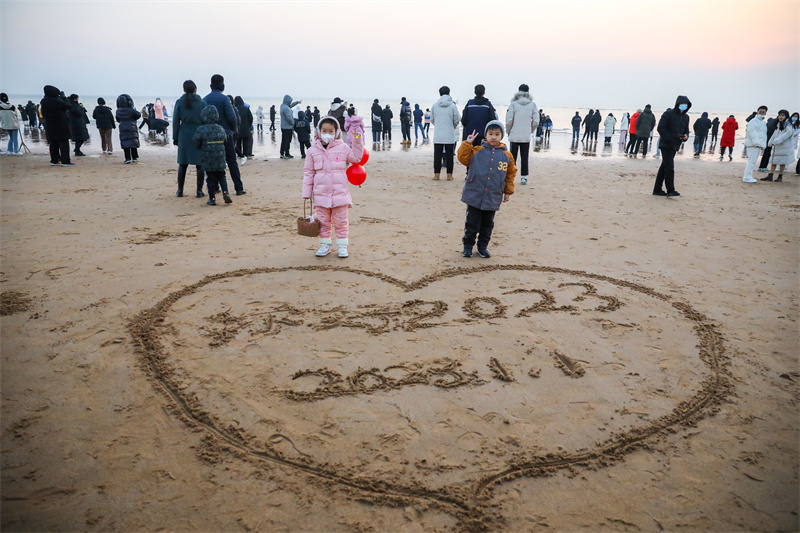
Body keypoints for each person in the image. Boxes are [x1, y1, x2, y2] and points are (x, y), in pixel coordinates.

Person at [302, 116, 364, 258]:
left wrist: (357, 138)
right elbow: (308, 173)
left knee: (341, 222)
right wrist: (306, 192)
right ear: (318, 131)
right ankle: (325, 246)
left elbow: (357, 158)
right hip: (320, 195)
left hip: (340, 195)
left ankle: (342, 247)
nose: (327, 134)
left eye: (331, 131)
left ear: (336, 132)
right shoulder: (312, 151)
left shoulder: (343, 148)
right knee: (323, 223)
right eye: (324, 130)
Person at [457, 120, 516, 258]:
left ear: (502, 136)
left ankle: (482, 247)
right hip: (474, 194)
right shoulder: (477, 150)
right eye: (490, 134)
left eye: (497, 134)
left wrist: (508, 192)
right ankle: (468, 246)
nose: (493, 137)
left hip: (493, 196)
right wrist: (468, 143)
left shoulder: (507, 156)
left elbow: (510, 174)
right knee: (472, 223)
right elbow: (463, 158)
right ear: (486, 135)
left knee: (487, 225)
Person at [202, 75, 245, 194]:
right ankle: (238, 188)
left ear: (211, 85)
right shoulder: (225, 99)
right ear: (222, 85)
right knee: (231, 161)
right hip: (226, 134)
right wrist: (233, 131)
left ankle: (215, 187)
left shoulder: (205, 99)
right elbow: (232, 118)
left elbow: (202, 118)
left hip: (210, 136)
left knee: (213, 161)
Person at [173, 80, 207, 197]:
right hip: (199, 133)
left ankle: (180, 190)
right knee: (200, 164)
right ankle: (199, 190)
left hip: (184, 134)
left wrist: (175, 137)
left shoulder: (180, 102)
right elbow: (206, 120)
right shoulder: (202, 103)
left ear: (184, 89)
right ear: (195, 89)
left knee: (183, 163)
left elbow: (176, 120)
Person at [653, 95, 692, 197]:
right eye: (682, 104)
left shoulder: (686, 117)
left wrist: (685, 137)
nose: (684, 106)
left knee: (664, 167)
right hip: (666, 144)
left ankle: (657, 189)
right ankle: (670, 189)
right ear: (677, 104)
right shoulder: (668, 114)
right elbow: (661, 128)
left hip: (676, 145)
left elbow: (686, 130)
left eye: (686, 105)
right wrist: (669, 138)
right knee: (669, 166)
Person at [193, 105, 232, 206]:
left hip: (208, 158)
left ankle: (212, 198)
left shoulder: (201, 129)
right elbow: (225, 141)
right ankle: (225, 192)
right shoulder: (221, 129)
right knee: (222, 176)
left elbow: (196, 142)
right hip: (220, 157)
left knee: (210, 178)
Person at [505, 83, 538, 185]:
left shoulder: (513, 104)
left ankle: (511, 176)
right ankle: (524, 177)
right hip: (525, 135)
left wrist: (509, 131)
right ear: (528, 92)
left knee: (512, 157)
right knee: (525, 157)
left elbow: (508, 121)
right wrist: (530, 130)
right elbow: (536, 121)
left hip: (514, 134)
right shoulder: (532, 105)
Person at [430, 85, 460, 181]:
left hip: (438, 134)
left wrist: (438, 125)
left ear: (440, 94)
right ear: (449, 93)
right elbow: (457, 119)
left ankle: (437, 174)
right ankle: (449, 175)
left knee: (437, 155)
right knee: (449, 155)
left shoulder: (435, 105)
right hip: (449, 134)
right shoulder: (452, 106)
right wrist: (452, 126)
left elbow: (432, 119)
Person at [40, 86, 73, 165]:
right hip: (61, 123)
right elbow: (68, 106)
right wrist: (64, 97)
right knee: (64, 142)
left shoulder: (43, 101)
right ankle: (65, 161)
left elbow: (43, 113)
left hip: (49, 123)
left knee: (53, 142)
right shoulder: (57, 100)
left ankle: (54, 160)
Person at [762, 110, 798, 182]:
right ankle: (770, 175)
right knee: (774, 161)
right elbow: (775, 133)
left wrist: (777, 140)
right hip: (777, 146)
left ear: (786, 116)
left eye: (782, 115)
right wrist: (770, 142)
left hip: (785, 147)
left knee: (782, 162)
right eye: (779, 115)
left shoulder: (788, 125)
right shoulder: (779, 124)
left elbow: (788, 134)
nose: (780, 117)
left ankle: (780, 176)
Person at [743, 105, 768, 183]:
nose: (762, 113)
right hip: (753, 144)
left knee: (753, 161)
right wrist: (757, 143)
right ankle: (747, 177)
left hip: (758, 145)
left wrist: (762, 144)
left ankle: (748, 176)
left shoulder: (763, 122)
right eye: (760, 112)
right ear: (757, 112)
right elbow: (751, 132)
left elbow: (763, 134)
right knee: (751, 161)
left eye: (763, 112)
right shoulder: (753, 121)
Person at [115, 94, 141, 164]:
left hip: (123, 127)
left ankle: (127, 158)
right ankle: (134, 157)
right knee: (133, 142)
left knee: (125, 142)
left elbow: (117, 119)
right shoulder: (131, 110)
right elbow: (138, 115)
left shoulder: (118, 111)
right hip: (131, 126)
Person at [280, 94, 300, 158]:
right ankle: (287, 153)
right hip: (287, 127)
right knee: (287, 141)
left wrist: (297, 102)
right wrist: (293, 123)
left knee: (283, 140)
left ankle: (282, 152)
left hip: (283, 126)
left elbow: (290, 106)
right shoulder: (286, 108)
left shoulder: (283, 106)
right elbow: (289, 118)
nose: (290, 103)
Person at [234, 96, 253, 161]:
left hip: (237, 129)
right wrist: (249, 125)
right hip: (246, 128)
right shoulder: (246, 109)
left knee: (238, 142)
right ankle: (245, 154)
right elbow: (251, 118)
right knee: (246, 142)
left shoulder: (234, 109)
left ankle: (240, 155)